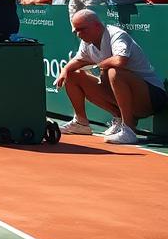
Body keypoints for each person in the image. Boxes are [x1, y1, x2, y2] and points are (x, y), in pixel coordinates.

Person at [56, 10, 167, 144]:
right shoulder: (87, 41)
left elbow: (120, 61)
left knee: (114, 71)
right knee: (73, 75)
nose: (79, 34)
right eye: (76, 31)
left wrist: (99, 65)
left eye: (81, 30)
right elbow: (78, 61)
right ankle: (81, 123)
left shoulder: (117, 35)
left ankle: (129, 129)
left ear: (96, 26)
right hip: (128, 98)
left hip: (152, 97)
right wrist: (65, 70)